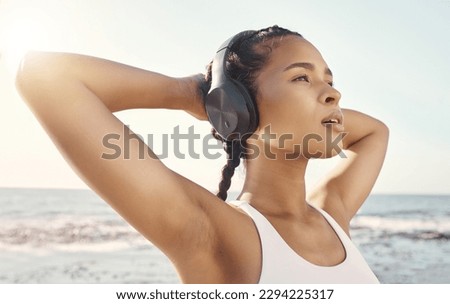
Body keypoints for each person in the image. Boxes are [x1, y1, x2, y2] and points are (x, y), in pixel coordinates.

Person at [15, 25, 389, 283]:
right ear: (239, 106)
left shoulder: (333, 215)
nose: (333, 94)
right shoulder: (211, 231)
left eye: (330, 80)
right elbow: (44, 76)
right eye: (301, 77)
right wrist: (196, 95)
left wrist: (312, 111)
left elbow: (375, 132)